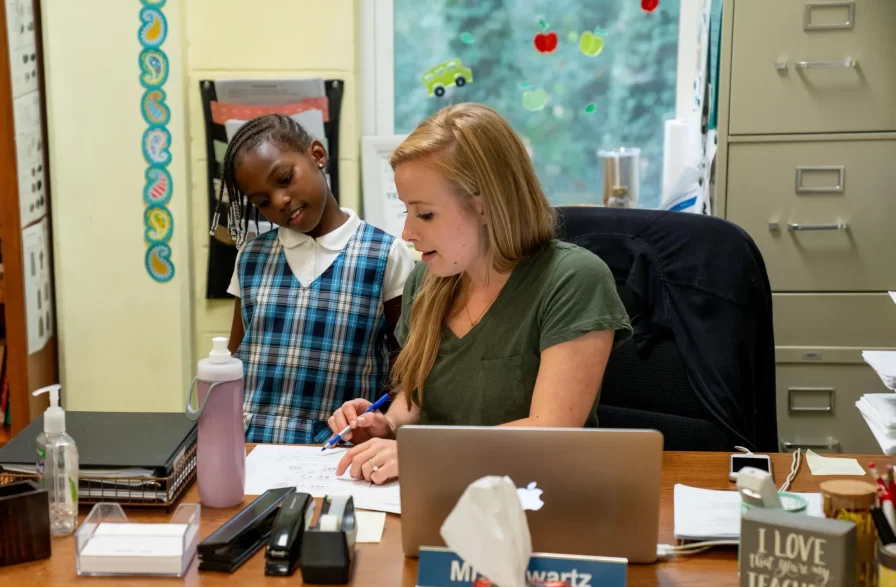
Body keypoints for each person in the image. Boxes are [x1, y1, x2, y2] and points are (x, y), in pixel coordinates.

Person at [330, 103, 632, 483]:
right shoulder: (425, 280)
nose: (407, 232)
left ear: (486, 205)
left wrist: (425, 454)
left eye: (424, 214)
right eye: (406, 211)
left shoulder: (573, 279)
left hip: (536, 494)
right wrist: (385, 425)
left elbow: (552, 429)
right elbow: (415, 401)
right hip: (436, 490)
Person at [217, 114, 415, 444]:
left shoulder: (385, 254)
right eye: (262, 202)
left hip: (340, 451)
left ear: (317, 155)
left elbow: (406, 369)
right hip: (251, 447)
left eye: (284, 179)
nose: (279, 201)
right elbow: (236, 358)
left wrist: (386, 426)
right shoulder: (250, 257)